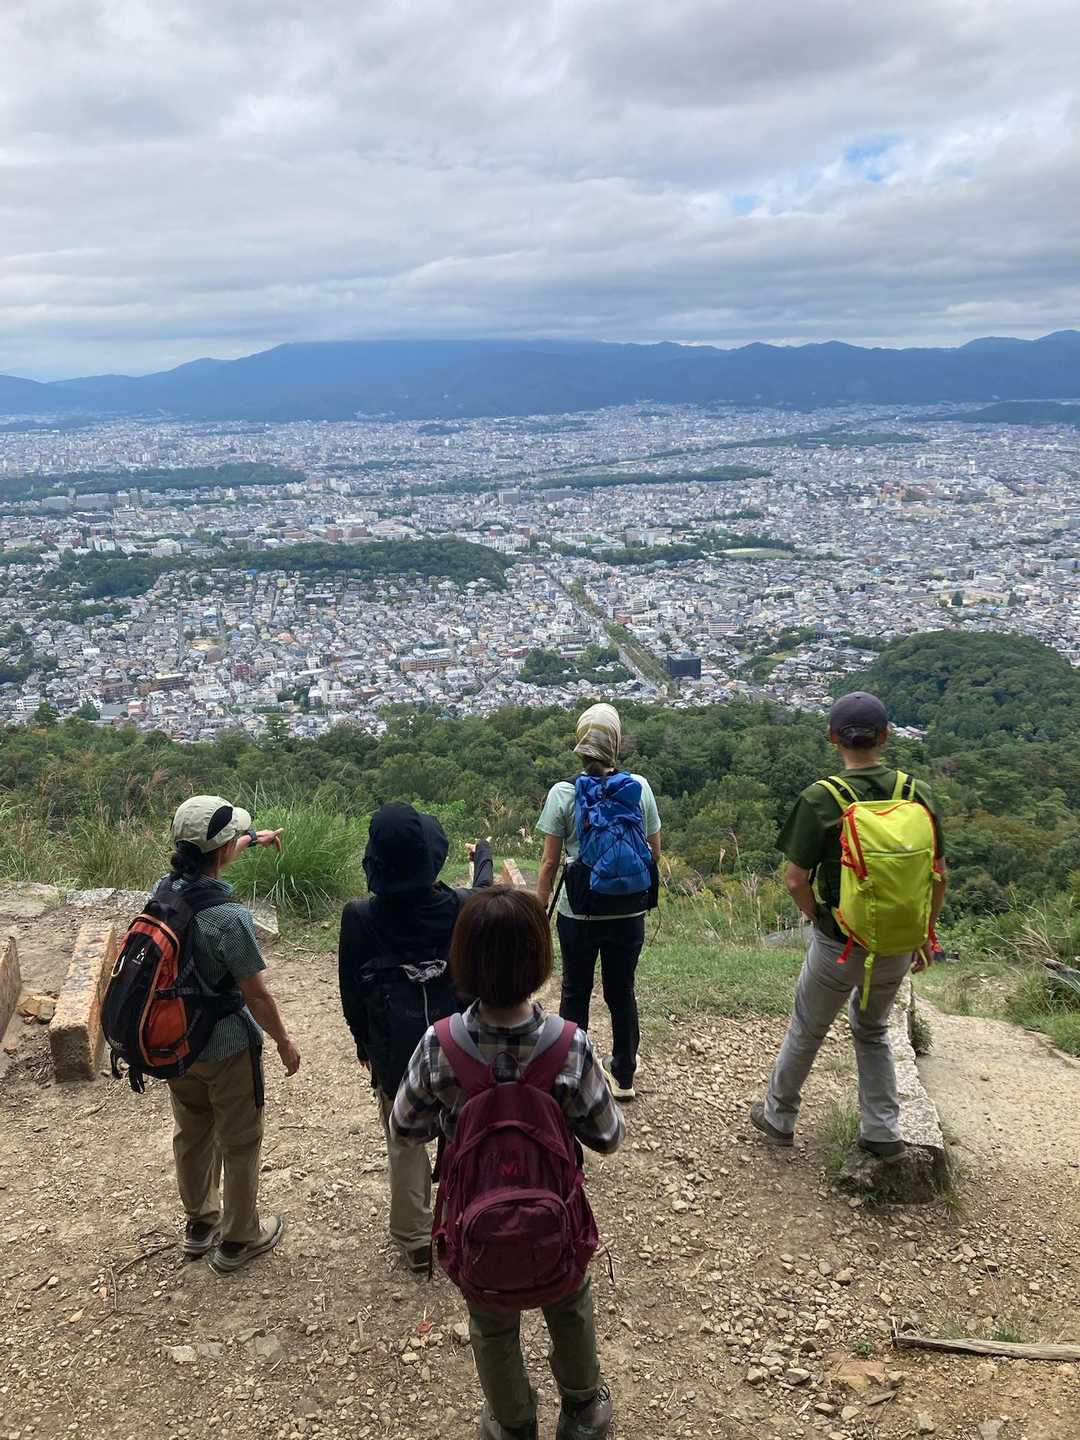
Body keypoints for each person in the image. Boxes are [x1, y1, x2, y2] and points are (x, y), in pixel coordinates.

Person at [391, 886, 623, 1440]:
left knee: (492, 1323)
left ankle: (513, 1422)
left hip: (476, 1220)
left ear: (462, 962)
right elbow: (608, 1136)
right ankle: (583, 1410)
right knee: (569, 1305)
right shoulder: (568, 1045)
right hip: (556, 1219)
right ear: (540, 961)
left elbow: (404, 1127)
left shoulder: (439, 1044)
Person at [751, 692, 947, 1158]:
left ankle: (779, 1116)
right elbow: (938, 873)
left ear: (832, 737)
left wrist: (816, 916)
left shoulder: (823, 798)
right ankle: (882, 1129)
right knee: (873, 1029)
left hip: (838, 941)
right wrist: (924, 933)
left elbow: (795, 878)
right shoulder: (916, 794)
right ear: (886, 736)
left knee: (808, 1027)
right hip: (897, 941)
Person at [338, 803, 493, 1274]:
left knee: (403, 1142)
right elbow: (485, 893)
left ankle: (415, 1240)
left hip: (395, 1051)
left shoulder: (360, 917)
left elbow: (351, 993)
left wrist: (364, 1043)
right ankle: (470, 1218)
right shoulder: (460, 907)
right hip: (459, 1047)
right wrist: (483, 854)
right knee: (466, 1130)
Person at [164, 795, 301, 1274]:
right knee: (239, 1139)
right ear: (222, 851)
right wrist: (284, 1042)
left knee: (192, 1131)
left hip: (176, 1042)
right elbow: (257, 997)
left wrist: (253, 839)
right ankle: (240, 1238)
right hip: (226, 1046)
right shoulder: (229, 918)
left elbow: (214, 854)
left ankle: (200, 1223)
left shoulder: (165, 890)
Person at [536, 702, 661, 1102]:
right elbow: (654, 853)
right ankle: (624, 1074)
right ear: (616, 743)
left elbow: (549, 863)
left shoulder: (563, 793)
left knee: (575, 990)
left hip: (579, 912)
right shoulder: (639, 787)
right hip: (629, 911)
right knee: (621, 990)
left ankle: (574, 1075)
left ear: (580, 742)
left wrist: (538, 909)